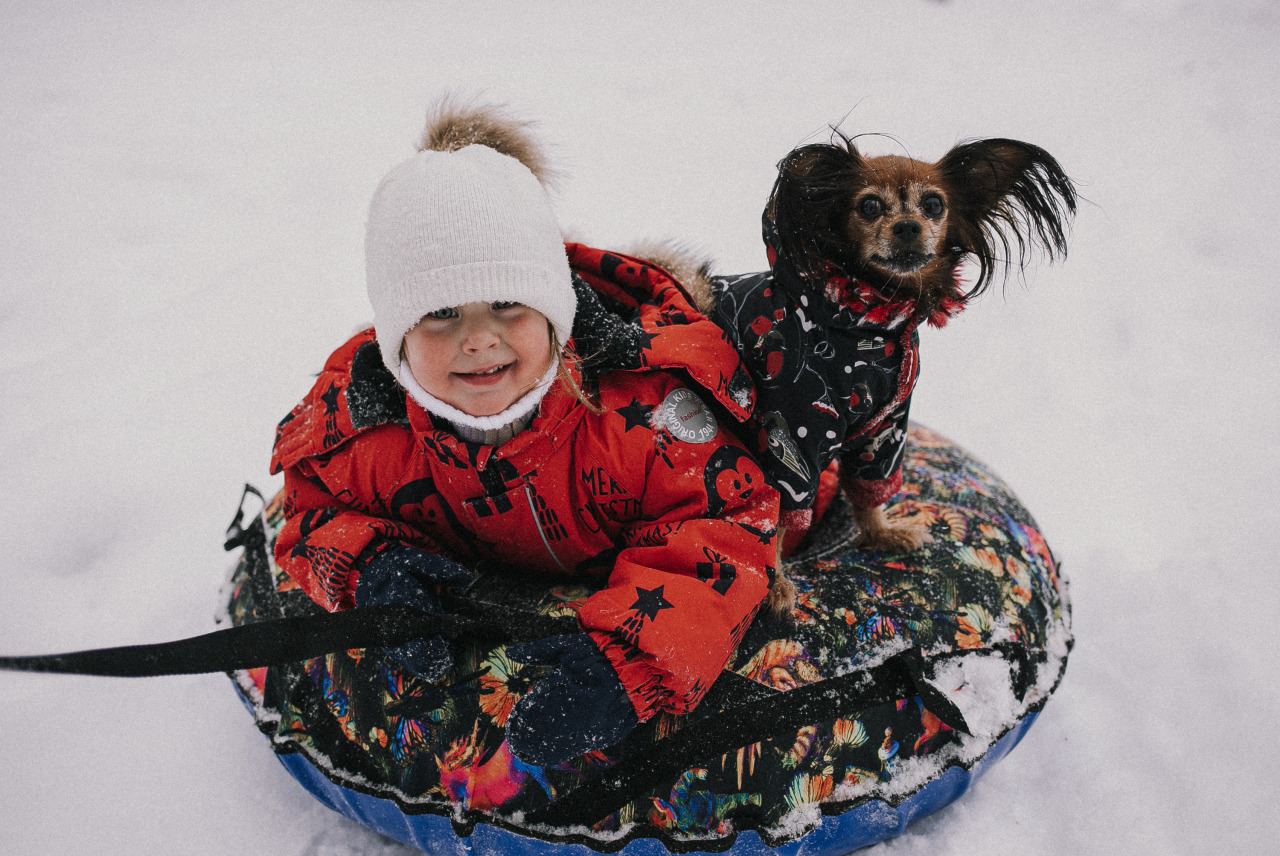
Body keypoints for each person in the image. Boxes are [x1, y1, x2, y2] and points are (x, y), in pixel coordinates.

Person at [269, 129, 779, 767]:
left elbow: (729, 523)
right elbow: (308, 508)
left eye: (508, 304)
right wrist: (372, 566)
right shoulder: (368, 435)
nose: (479, 339)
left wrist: (632, 658)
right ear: (396, 337)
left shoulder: (643, 419)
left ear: (554, 312)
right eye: (442, 312)